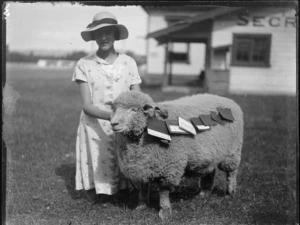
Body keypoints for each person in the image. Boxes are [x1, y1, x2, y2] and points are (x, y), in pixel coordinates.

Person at [72, 11, 142, 202]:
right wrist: (110, 116)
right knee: (98, 158)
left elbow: (138, 98)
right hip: (95, 124)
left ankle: (126, 188)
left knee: (126, 156)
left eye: (108, 32)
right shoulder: (84, 64)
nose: (103, 37)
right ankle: (97, 190)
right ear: (93, 37)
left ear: (115, 35)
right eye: (98, 33)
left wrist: (131, 118)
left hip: (123, 124)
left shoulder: (129, 63)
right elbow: (87, 105)